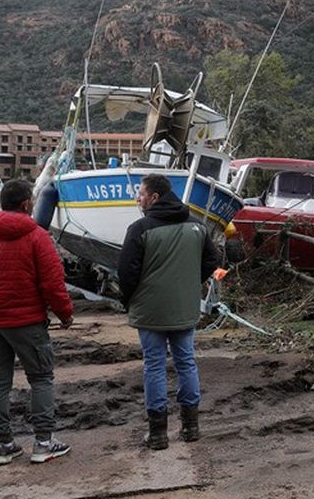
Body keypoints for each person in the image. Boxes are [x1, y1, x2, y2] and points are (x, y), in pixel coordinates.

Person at [0, 179, 73, 465]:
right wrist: (64, 313)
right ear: (26, 204)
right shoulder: (37, 237)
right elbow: (53, 283)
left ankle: (3, 445)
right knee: (41, 378)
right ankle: (43, 443)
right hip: (27, 322)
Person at [118, 173, 218, 450]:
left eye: (141, 194)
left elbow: (126, 273)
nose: (138, 198)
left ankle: (158, 433)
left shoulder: (139, 229)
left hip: (150, 310)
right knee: (186, 361)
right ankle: (191, 427)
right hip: (184, 308)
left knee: (154, 364)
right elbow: (212, 259)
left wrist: (129, 300)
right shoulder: (197, 227)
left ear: (154, 197)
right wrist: (189, 284)